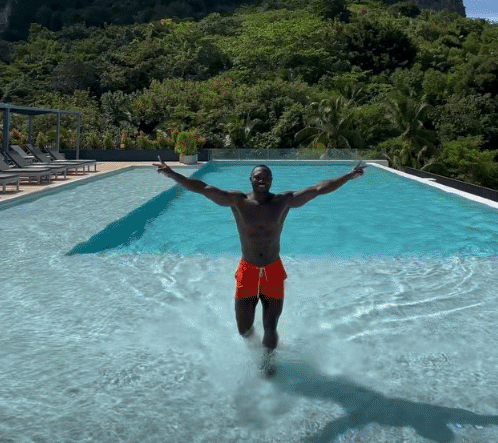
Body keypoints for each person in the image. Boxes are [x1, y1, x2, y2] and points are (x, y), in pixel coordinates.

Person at [154, 159, 365, 373]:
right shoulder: (238, 201)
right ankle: (256, 349)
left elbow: (318, 189)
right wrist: (172, 174)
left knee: (270, 325)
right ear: (250, 180)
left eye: (265, 178)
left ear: (272, 180)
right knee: (244, 329)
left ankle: (268, 362)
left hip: (272, 270)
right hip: (248, 269)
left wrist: (348, 175)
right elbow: (203, 188)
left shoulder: (283, 201)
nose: (261, 181)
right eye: (257, 177)